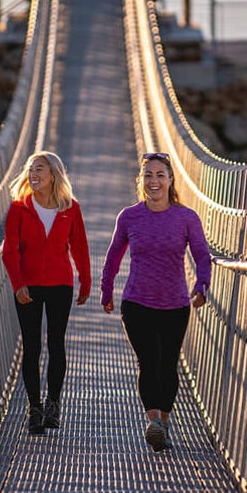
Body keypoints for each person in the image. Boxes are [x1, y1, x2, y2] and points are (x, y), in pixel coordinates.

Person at [100, 151, 211, 452]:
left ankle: (164, 419)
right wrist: (106, 290)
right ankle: (154, 423)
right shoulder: (129, 216)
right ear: (141, 180)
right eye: (148, 175)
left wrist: (202, 284)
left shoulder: (187, 218)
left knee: (168, 365)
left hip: (175, 304)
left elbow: (201, 254)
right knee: (149, 362)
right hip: (137, 303)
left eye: (160, 175)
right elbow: (113, 255)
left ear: (171, 180)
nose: (154, 181)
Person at [2, 151, 91, 435]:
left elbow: (79, 247)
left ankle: (53, 404)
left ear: (54, 174)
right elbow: (9, 251)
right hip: (28, 285)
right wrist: (18, 285)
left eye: (39, 169)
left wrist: (86, 281)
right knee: (32, 346)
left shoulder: (70, 208)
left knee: (56, 343)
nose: (33, 175)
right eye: (30, 170)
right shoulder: (18, 208)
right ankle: (34, 408)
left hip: (59, 285)